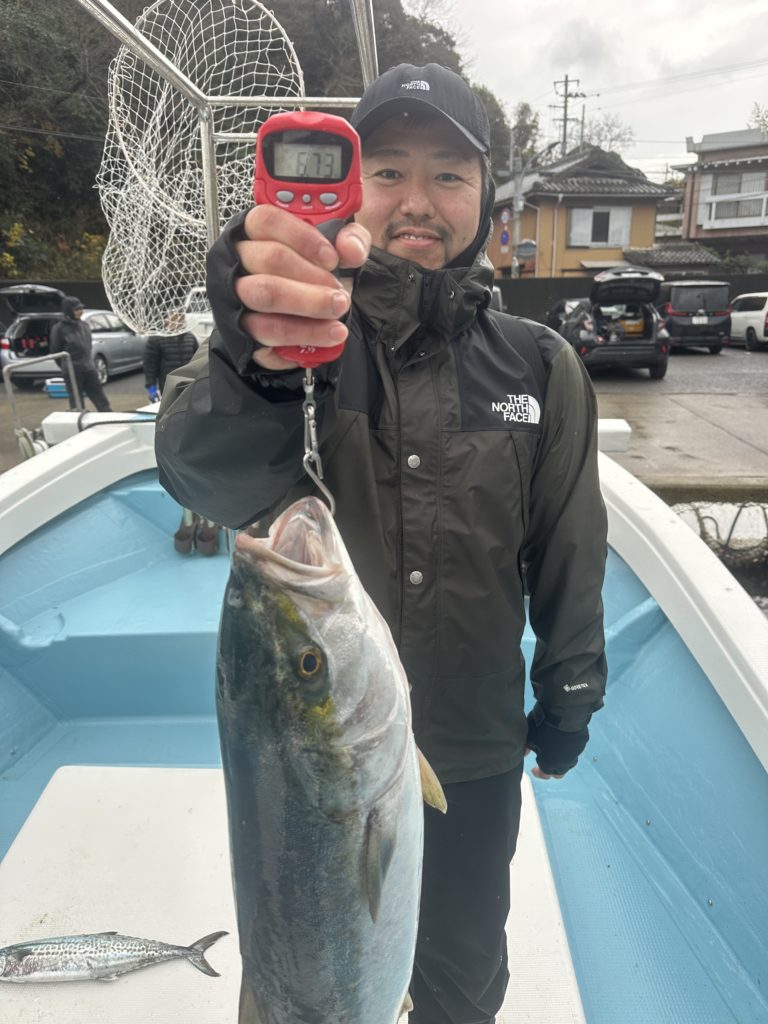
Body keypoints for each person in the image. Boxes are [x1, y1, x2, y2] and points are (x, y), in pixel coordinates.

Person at [155, 63, 608, 1024]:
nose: (418, 201)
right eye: (390, 170)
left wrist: (569, 693)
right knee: (306, 970)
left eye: (449, 174)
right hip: (311, 761)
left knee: (462, 978)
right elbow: (204, 475)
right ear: (351, 187)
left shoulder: (541, 364)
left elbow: (569, 544)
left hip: (476, 743)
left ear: (486, 195)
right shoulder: (293, 331)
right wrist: (250, 359)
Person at [49, 296, 112, 412]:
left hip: (89, 368)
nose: (80, 312)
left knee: (102, 400)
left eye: (81, 309)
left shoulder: (84, 325)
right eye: (76, 309)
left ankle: (109, 418)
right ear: (68, 311)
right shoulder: (59, 329)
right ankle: (79, 420)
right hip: (72, 371)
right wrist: (67, 366)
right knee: (77, 404)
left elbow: (87, 346)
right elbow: (56, 352)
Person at [143, 308, 199, 402]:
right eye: (175, 317)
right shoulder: (156, 339)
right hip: (169, 388)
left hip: (190, 385)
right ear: (166, 320)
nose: (179, 320)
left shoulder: (190, 338)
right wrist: (151, 387)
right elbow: (150, 366)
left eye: (181, 317)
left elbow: (197, 361)